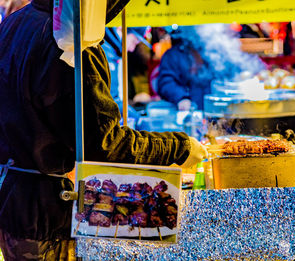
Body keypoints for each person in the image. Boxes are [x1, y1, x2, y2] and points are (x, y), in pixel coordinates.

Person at [0, 0, 207, 260]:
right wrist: (178, 148)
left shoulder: (15, 22)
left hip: (13, 204)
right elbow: (103, 143)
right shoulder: (70, 41)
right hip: (49, 216)